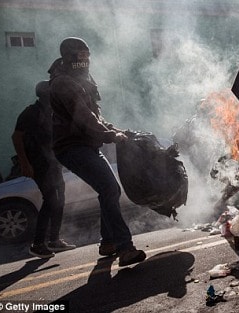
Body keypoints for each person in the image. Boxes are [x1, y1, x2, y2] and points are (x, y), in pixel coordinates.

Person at [48, 37, 146, 266]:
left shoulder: (83, 79)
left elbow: (97, 116)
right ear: (69, 56)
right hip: (71, 147)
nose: (85, 59)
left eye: (87, 55)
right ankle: (125, 248)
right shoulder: (63, 83)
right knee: (110, 188)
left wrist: (118, 130)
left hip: (86, 145)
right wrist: (110, 136)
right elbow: (84, 117)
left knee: (108, 191)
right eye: (80, 55)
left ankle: (108, 242)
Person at [12, 81, 76, 258]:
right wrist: (25, 163)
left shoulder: (53, 111)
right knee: (50, 200)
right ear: (44, 94)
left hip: (53, 164)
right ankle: (38, 244)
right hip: (38, 164)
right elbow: (16, 137)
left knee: (60, 198)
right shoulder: (31, 112)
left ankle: (54, 240)